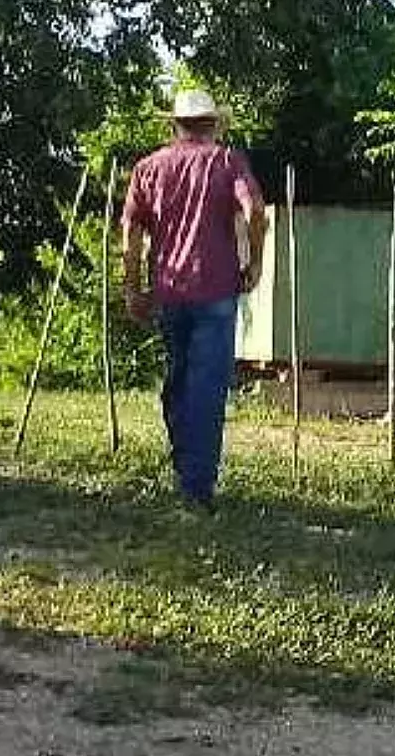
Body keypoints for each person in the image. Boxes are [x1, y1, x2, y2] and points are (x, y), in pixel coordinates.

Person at [121, 89, 268, 511]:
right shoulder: (227, 162)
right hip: (217, 290)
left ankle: (186, 465)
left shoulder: (148, 168)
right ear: (214, 124)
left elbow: (130, 235)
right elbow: (255, 210)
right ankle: (196, 487)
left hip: (170, 290)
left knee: (180, 380)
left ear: (174, 125)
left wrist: (132, 287)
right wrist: (254, 262)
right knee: (206, 387)